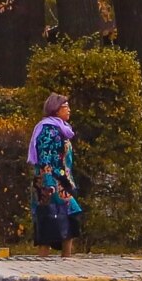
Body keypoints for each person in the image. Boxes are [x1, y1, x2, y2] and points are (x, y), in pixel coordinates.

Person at [27, 92, 82, 257]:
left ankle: (65, 256)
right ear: (55, 109)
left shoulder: (61, 128)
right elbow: (45, 157)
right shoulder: (47, 130)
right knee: (57, 214)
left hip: (62, 179)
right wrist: (49, 182)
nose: (69, 110)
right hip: (49, 180)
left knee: (59, 216)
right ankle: (53, 255)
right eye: (65, 107)